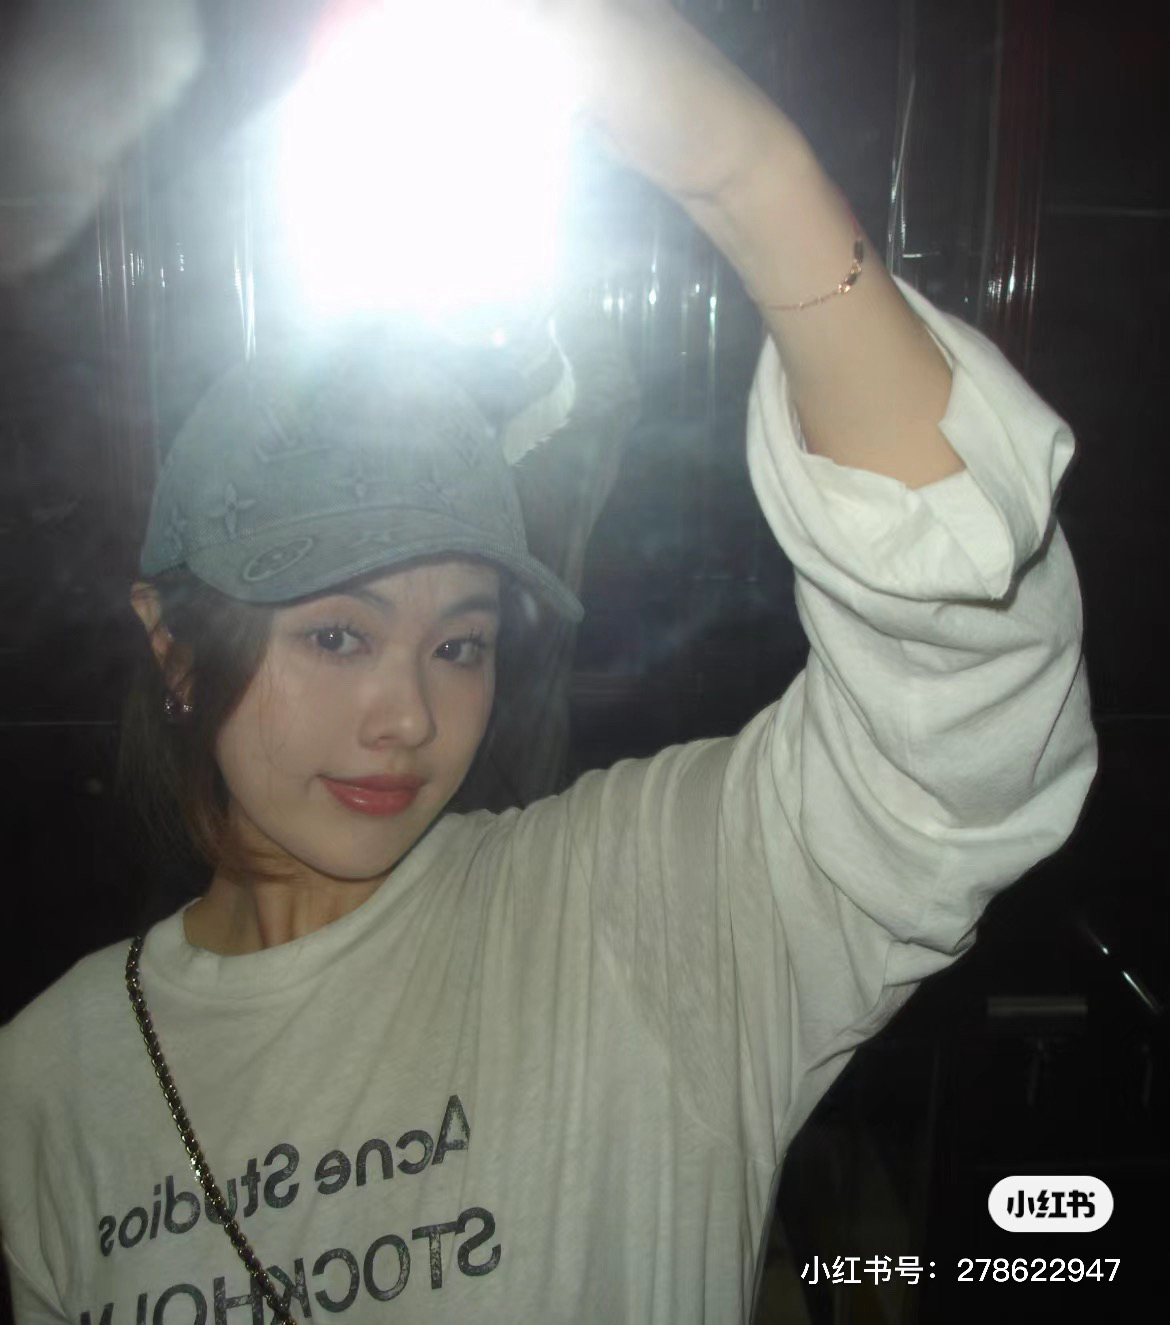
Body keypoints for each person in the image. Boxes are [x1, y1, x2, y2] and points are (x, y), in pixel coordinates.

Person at [0, 2, 1096, 1323]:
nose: (409, 715)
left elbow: (961, 734)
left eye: (459, 643)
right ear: (173, 642)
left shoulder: (636, 918)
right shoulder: (46, 1084)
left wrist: (748, 176)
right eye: (338, 634)